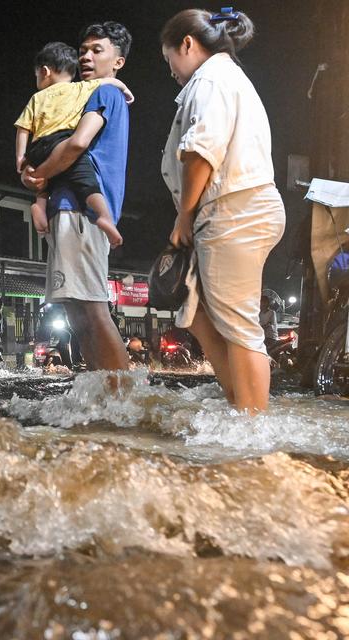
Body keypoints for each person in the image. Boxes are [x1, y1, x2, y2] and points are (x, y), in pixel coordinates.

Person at [161, 8, 285, 413]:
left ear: (187, 44)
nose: (170, 69)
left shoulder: (211, 79)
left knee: (239, 328)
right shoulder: (222, 78)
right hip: (233, 210)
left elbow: (201, 151)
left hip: (235, 209)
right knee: (197, 314)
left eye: (168, 58)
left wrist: (183, 217)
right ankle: (241, 407)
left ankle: (252, 428)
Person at [21, 22, 133, 375]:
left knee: (92, 308)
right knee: (77, 311)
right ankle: (105, 391)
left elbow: (77, 143)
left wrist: (39, 174)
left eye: (97, 50)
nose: (86, 57)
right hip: (70, 207)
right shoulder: (91, 93)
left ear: (118, 61)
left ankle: (124, 393)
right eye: (83, 50)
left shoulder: (103, 94)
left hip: (81, 209)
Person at [14, 42, 131, 248]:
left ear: (45, 71)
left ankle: (39, 204)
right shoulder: (80, 88)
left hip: (37, 146)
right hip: (62, 141)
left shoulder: (36, 98)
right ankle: (103, 215)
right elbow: (108, 82)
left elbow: (23, 128)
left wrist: (21, 158)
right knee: (85, 179)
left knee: (43, 184)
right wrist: (125, 89)